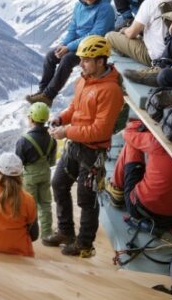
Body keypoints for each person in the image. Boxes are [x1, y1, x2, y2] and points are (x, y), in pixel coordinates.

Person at [42, 36, 123, 258]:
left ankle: (85, 244)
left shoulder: (110, 91)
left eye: (87, 60)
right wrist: (61, 118)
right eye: (81, 59)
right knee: (59, 184)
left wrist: (66, 131)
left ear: (101, 61)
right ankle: (66, 232)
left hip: (92, 151)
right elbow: (75, 108)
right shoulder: (84, 81)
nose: (81, 64)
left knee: (86, 199)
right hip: (75, 145)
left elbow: (100, 131)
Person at [26, 0, 115, 106]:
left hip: (96, 47)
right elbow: (72, 29)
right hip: (79, 44)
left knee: (67, 59)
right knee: (51, 56)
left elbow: (96, 34)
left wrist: (69, 47)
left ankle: (48, 96)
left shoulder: (105, 8)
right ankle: (42, 92)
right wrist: (63, 44)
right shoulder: (78, 6)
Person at [107, 120, 172, 227]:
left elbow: (127, 133)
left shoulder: (158, 142)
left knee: (131, 145)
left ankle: (116, 190)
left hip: (138, 209)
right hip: (169, 219)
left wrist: (140, 123)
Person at [14, 102, 57, 240]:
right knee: (45, 204)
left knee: (29, 205)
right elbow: (52, 162)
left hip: (29, 177)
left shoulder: (23, 140)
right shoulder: (52, 140)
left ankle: (29, 234)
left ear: (31, 119)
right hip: (45, 174)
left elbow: (17, 164)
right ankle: (47, 233)